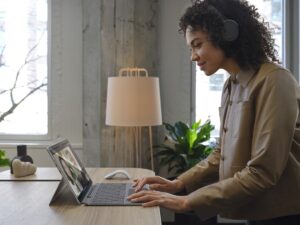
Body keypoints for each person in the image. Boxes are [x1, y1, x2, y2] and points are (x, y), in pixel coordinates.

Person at [127, 0, 300, 224]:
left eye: (197, 45)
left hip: (286, 214)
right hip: (259, 210)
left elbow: (263, 172)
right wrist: (179, 183)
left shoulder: (275, 81)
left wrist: (186, 202)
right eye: (191, 48)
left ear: (226, 33)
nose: (193, 56)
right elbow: (222, 153)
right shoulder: (232, 85)